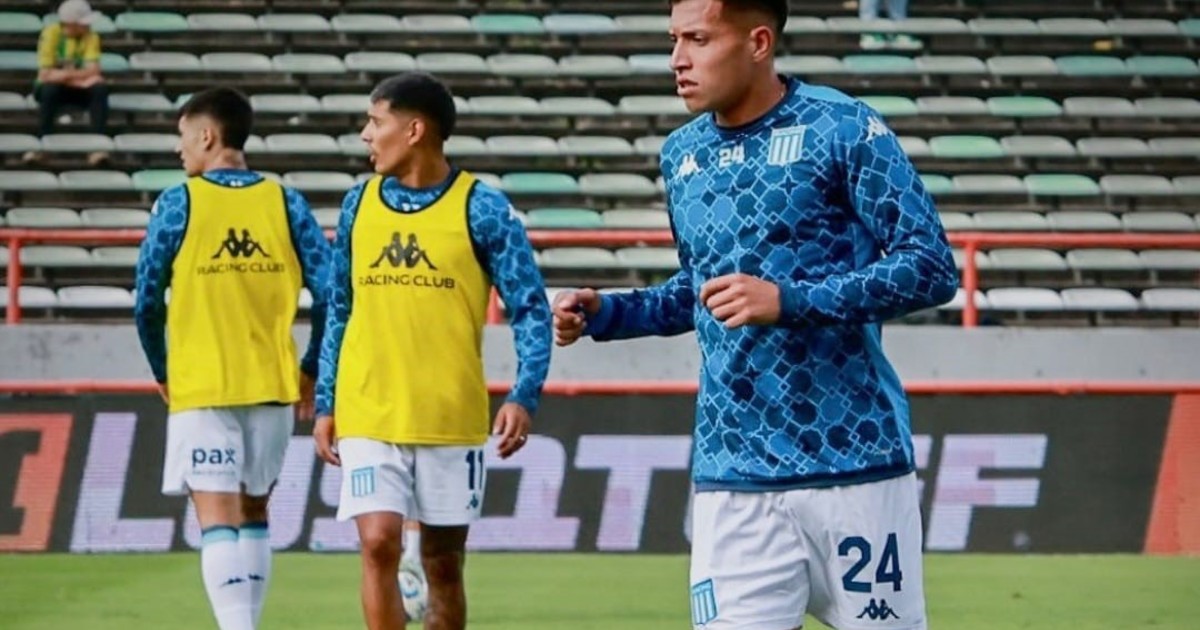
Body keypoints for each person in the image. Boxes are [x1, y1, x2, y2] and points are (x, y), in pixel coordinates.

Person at [552, 1, 957, 628]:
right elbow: (703, 291)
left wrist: (789, 301)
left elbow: (930, 266)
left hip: (853, 464)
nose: (677, 59)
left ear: (759, 42)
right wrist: (610, 313)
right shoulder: (682, 154)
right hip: (734, 472)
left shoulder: (843, 127)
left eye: (698, 39)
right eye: (673, 40)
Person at [314, 72, 551, 630]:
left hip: (449, 416)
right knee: (378, 543)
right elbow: (339, 308)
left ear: (415, 130)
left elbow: (530, 308)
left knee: (443, 563)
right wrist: (327, 400)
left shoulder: (483, 208)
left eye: (376, 122)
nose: (366, 135)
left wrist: (524, 393)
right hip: (369, 409)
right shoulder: (357, 205)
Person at [134, 87, 330, 630]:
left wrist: (162, 369)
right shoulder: (286, 202)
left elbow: (146, 299)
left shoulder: (178, 203)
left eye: (181, 136)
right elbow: (333, 294)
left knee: (217, 517)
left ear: (206, 136)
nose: (178, 149)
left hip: (203, 383)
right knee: (254, 512)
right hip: (272, 382)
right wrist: (311, 366)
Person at [27, 0, 110, 165]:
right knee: (50, 89)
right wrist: (79, 80)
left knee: (99, 89)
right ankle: (42, 147)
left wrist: (63, 75)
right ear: (71, 23)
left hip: (77, 89)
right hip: (55, 88)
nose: (87, 26)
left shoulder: (91, 36)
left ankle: (97, 148)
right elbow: (45, 74)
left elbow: (94, 70)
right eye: (82, 23)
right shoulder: (51, 34)